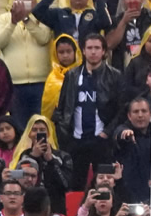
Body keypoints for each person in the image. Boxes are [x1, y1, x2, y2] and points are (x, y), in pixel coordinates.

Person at [52, 34, 123, 189]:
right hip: (76, 140)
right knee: (75, 185)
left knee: (105, 184)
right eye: (89, 48)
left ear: (104, 51)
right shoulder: (72, 75)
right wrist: (65, 134)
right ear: (83, 51)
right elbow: (63, 107)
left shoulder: (114, 76)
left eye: (97, 48)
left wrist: (107, 132)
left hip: (102, 140)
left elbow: (121, 110)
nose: (93, 52)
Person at [0, 0, 51, 129]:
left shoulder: (42, 17)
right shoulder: (4, 18)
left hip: (41, 83)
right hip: (14, 85)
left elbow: (44, 38)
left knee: (41, 126)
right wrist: (12, 22)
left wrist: (26, 19)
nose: (25, 0)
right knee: (19, 127)